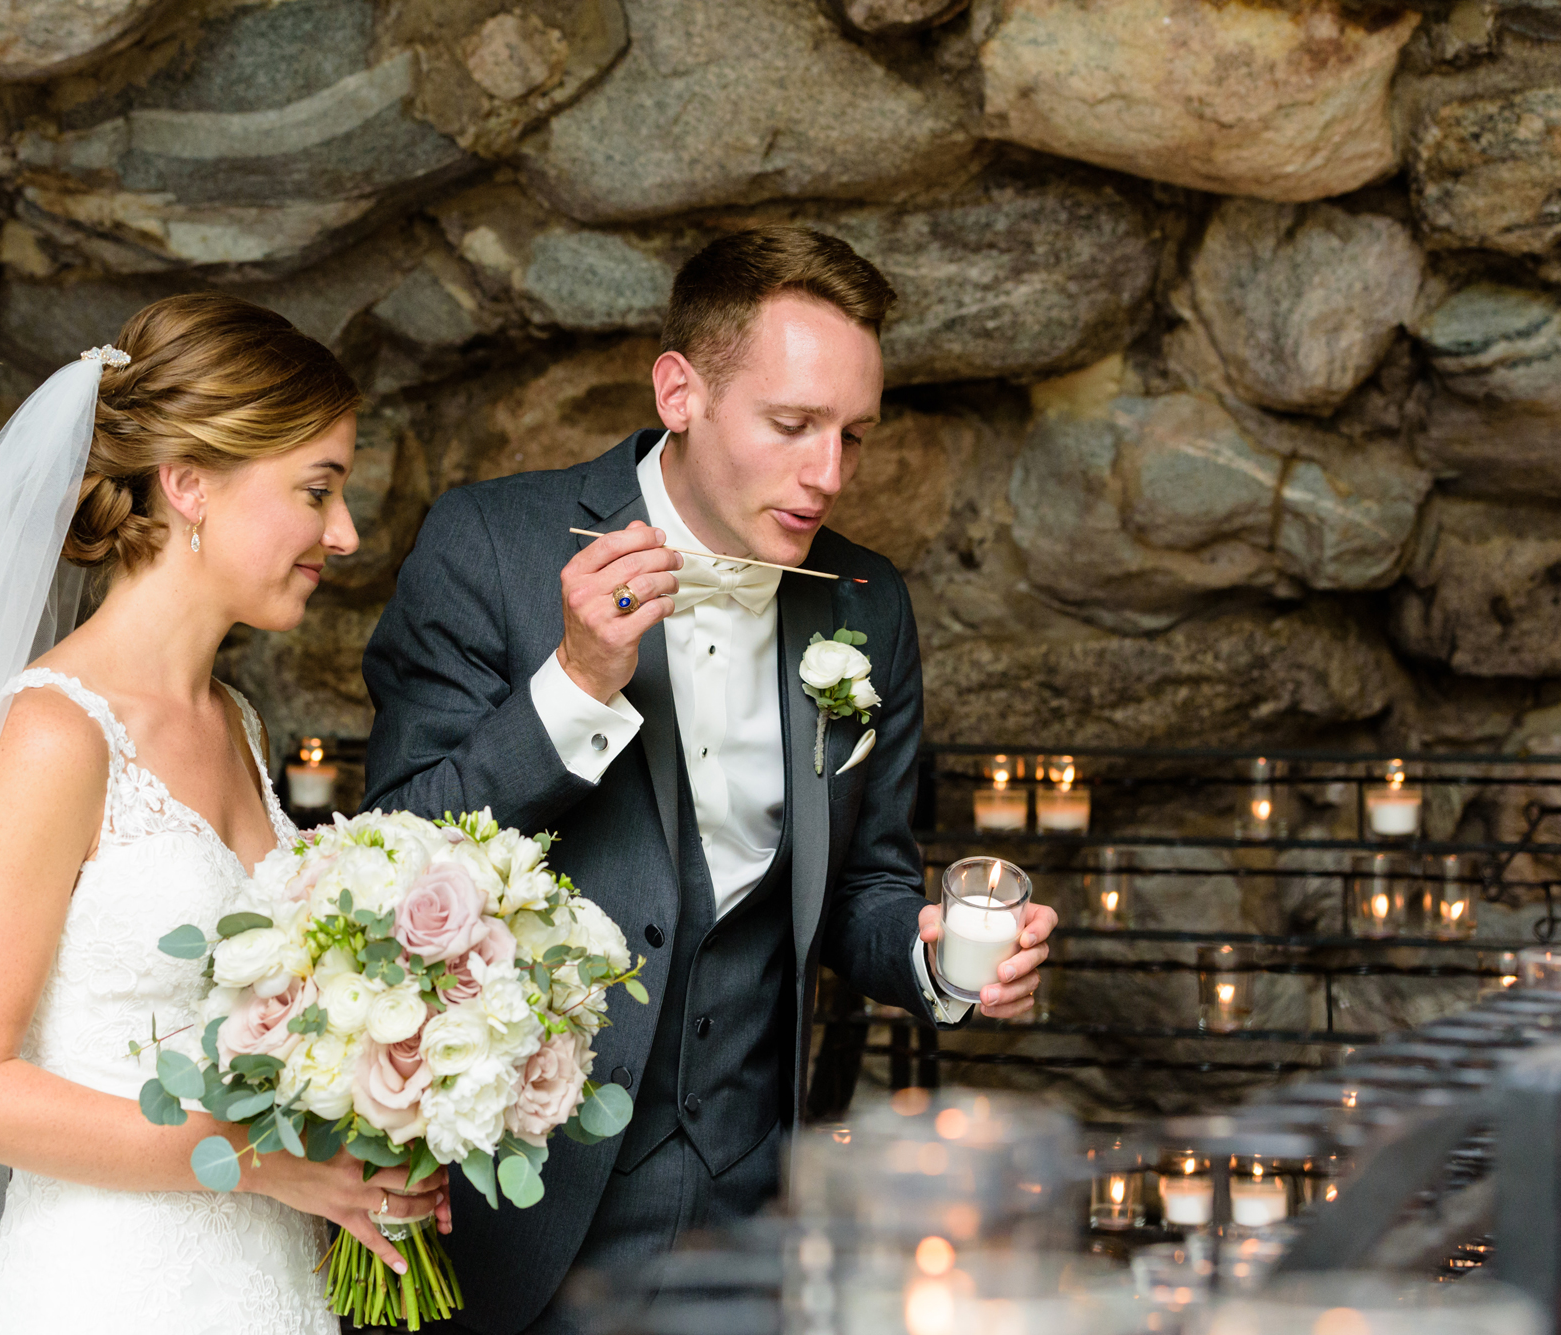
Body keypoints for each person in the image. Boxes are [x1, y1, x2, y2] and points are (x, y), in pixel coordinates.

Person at [362, 225, 1059, 1334]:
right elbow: (390, 854)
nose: (826, 475)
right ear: (679, 391)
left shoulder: (865, 604)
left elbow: (862, 886)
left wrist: (933, 957)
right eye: (791, 426)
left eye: (853, 437)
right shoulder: (489, 545)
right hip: (517, 1195)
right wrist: (581, 679)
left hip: (746, 1205)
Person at [0, 294, 442, 1335]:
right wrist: (260, 1162)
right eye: (317, 490)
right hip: (107, 1289)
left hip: (268, 1284)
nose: (343, 534)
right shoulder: (55, 733)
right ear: (188, 485)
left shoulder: (239, 725)